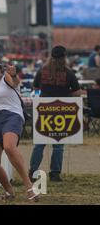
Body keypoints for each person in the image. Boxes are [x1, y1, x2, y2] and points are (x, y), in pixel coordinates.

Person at [0, 56, 39, 201]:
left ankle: (29, 187)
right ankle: (9, 191)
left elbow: (15, 82)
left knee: (9, 147)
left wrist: (13, 74)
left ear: (0, 69)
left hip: (11, 115)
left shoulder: (6, 78)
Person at [29, 45, 81, 182]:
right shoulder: (69, 73)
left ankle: (32, 171)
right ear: (64, 57)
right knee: (58, 145)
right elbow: (77, 92)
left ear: (51, 56)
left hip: (44, 111)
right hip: (61, 112)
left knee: (39, 144)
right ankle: (54, 173)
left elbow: (35, 88)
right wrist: (66, 93)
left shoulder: (42, 71)